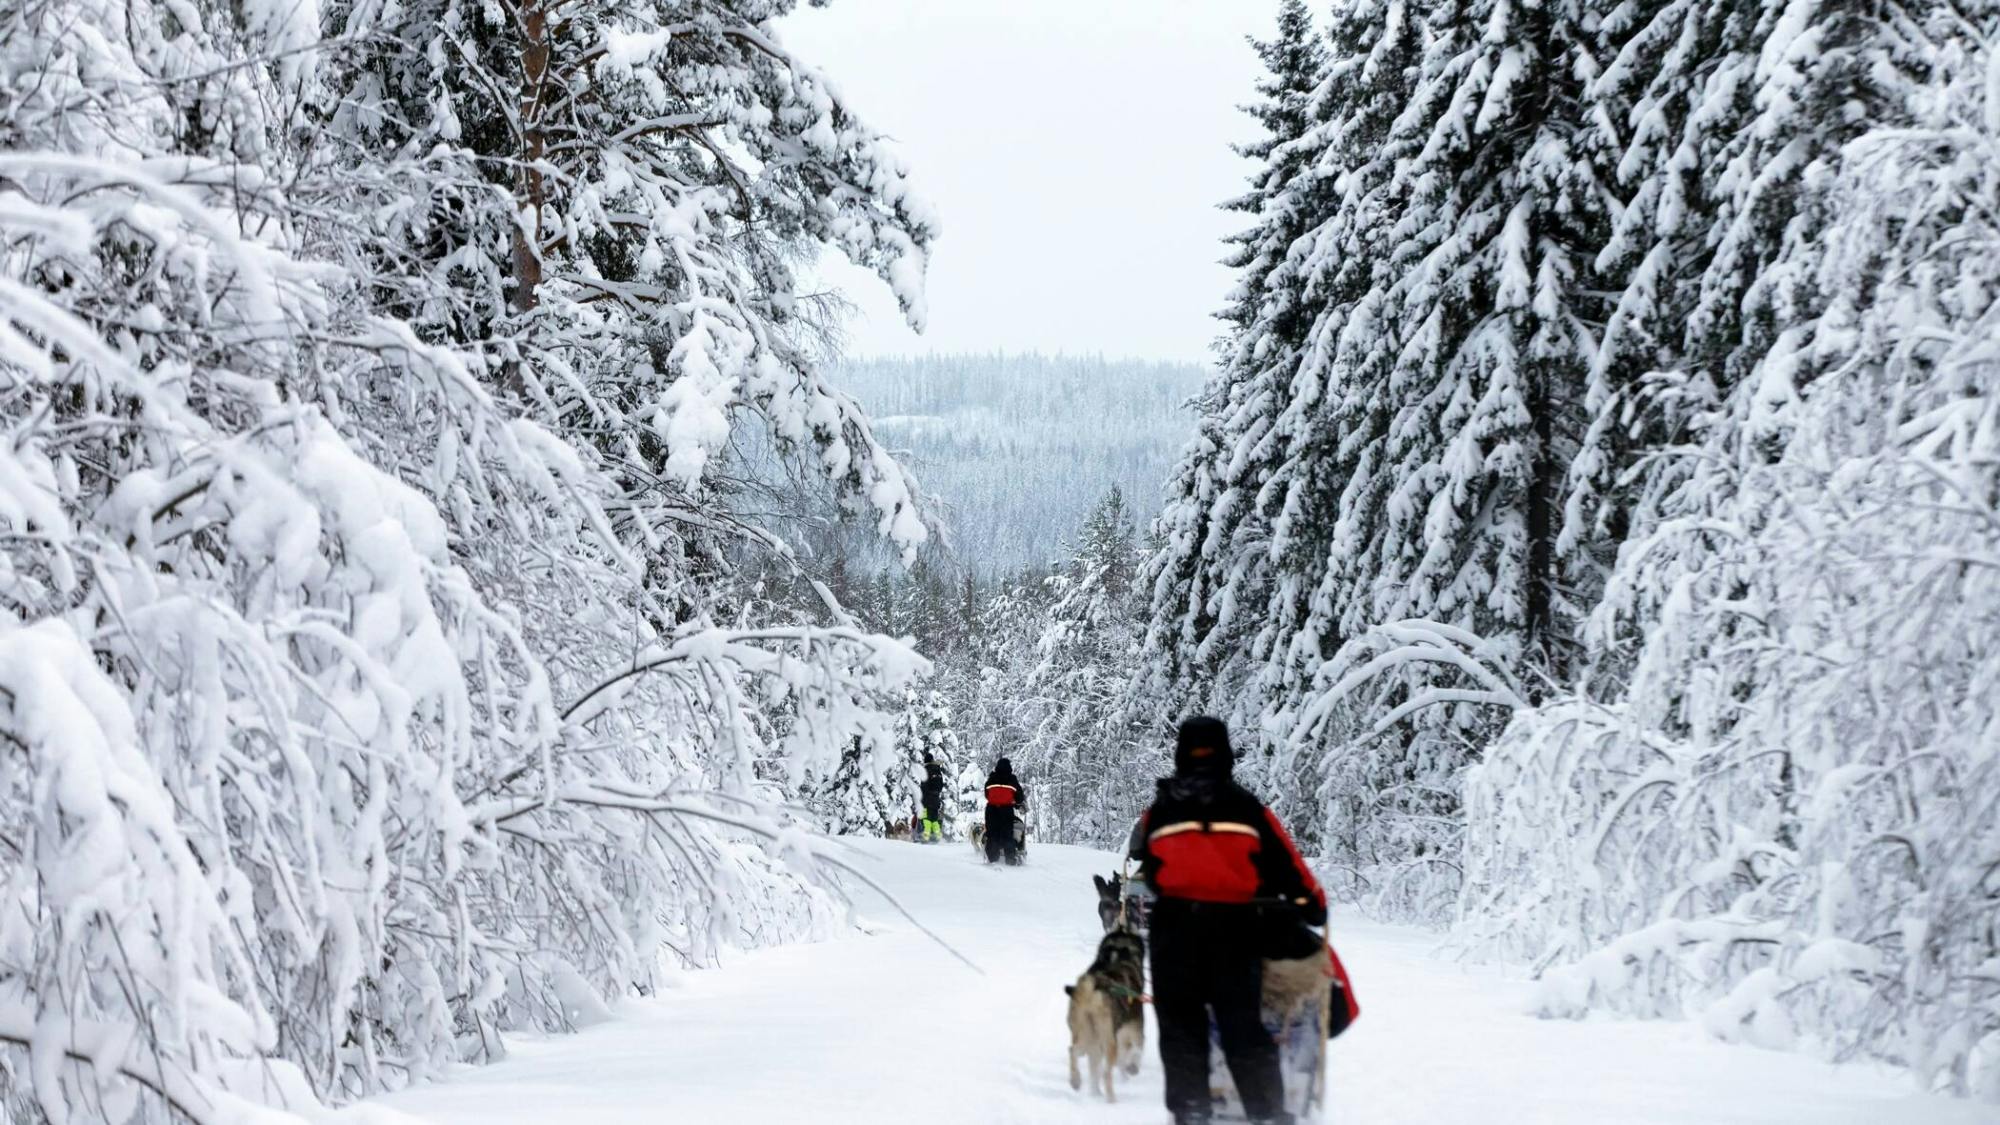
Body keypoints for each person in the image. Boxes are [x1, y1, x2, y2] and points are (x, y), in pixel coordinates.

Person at [1129, 716, 1326, 1125]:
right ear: (1226, 754)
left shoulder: (1158, 812)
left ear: (1180, 754)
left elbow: (1141, 857)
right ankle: (1266, 1113)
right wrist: (1312, 906)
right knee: (1243, 1028)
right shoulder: (1250, 810)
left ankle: (1191, 1112)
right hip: (1235, 932)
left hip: (1174, 933)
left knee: (1181, 1032)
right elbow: (1291, 870)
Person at [982, 757, 1025, 865]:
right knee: (1007, 834)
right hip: (1006, 810)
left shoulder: (991, 778)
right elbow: (1019, 798)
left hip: (991, 810)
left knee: (992, 834)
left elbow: (986, 794)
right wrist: (1015, 802)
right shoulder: (1012, 779)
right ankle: (1010, 859)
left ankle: (992, 859)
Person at [919, 756, 945, 843]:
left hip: (926, 800)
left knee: (925, 819)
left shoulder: (926, 771)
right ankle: (938, 835)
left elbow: (924, 786)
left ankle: (925, 837)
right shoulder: (938, 771)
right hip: (936, 799)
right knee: (934, 819)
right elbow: (941, 786)